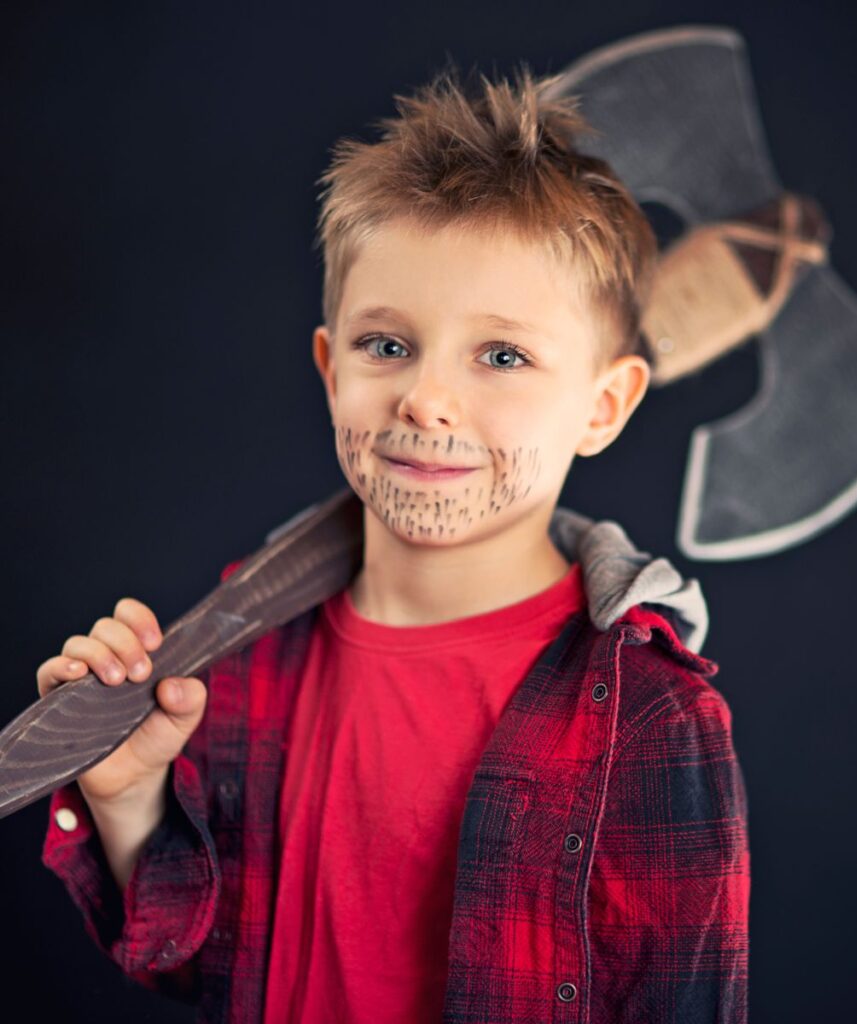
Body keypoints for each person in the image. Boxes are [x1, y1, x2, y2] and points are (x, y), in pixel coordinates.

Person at [38, 68, 750, 1023]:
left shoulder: (648, 718)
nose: (425, 398)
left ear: (605, 405)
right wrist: (130, 803)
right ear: (331, 368)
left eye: (502, 356)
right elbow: (205, 965)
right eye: (387, 345)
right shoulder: (239, 649)